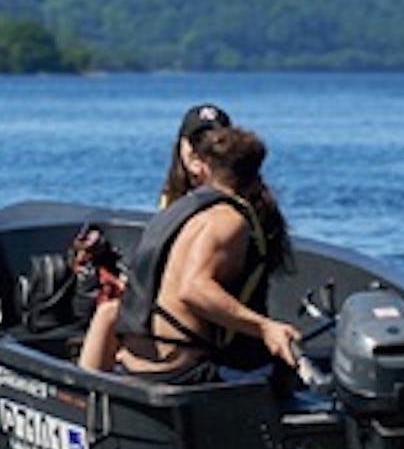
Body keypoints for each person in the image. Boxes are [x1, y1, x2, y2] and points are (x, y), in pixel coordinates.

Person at [79, 125, 298, 383]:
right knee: (283, 373)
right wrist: (264, 327)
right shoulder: (228, 220)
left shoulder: (182, 211)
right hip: (179, 370)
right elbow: (194, 289)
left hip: (135, 363)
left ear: (203, 169)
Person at [158, 103, 231, 208]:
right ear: (181, 145)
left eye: (212, 143)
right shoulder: (171, 196)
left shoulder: (241, 199)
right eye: (196, 141)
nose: (201, 149)